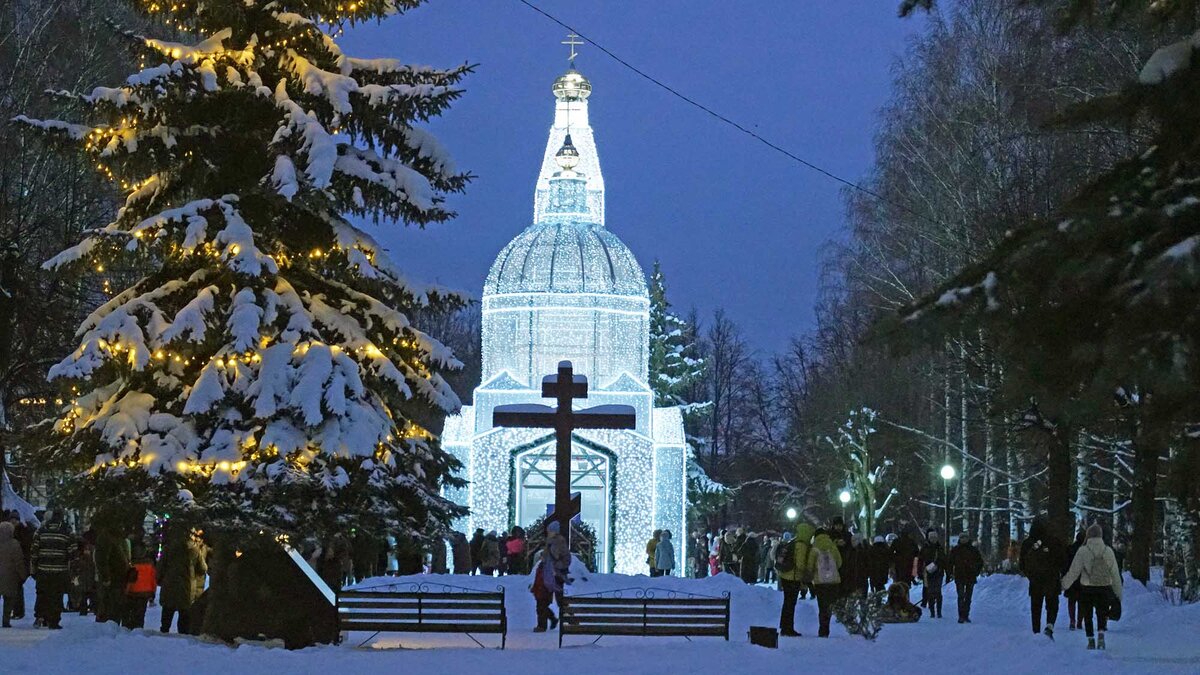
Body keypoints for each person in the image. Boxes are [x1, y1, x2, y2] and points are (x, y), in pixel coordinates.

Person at [1061, 523, 1122, 650]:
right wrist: (1118, 594)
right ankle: (1101, 635)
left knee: (1087, 613)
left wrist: (1063, 585)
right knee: (1101, 612)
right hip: (1104, 586)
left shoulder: (1083, 551)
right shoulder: (1108, 551)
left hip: (1087, 587)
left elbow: (1074, 571)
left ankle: (1090, 639)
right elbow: (1115, 574)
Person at [1021, 518, 1066, 638]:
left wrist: (1030, 574)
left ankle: (1036, 630)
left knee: (1036, 606)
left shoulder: (1028, 543)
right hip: (1051, 578)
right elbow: (1062, 560)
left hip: (1035, 579)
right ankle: (1049, 626)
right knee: (1052, 604)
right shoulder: (1054, 541)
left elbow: (1022, 564)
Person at [158, 527, 207, 634]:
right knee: (184, 612)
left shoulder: (169, 548)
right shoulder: (195, 549)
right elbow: (203, 569)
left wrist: (159, 579)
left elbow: (161, 567)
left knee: (167, 609)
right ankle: (183, 634)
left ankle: (164, 630)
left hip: (169, 584)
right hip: (187, 585)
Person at [31, 511, 72, 630]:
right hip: (60, 570)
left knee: (42, 594)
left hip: (43, 569)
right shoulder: (66, 532)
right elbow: (72, 551)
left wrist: (34, 567)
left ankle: (39, 616)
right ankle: (54, 620)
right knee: (57, 595)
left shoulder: (40, 531)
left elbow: (34, 551)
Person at [776, 522, 814, 637]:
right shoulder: (802, 545)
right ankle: (788, 628)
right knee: (790, 603)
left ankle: (784, 626)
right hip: (793, 577)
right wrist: (806, 573)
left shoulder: (794, 541)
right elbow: (800, 564)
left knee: (787, 603)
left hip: (785, 576)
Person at [807, 527, 843, 638]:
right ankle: (827, 625)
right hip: (833, 581)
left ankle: (823, 629)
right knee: (830, 605)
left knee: (822, 606)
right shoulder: (833, 546)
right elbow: (839, 562)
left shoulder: (814, 548)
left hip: (820, 582)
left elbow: (810, 566)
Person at [95, 522, 130, 624]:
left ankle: (113, 624)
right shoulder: (107, 538)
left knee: (116, 605)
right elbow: (102, 560)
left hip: (118, 577)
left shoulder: (117, 539)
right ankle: (107, 626)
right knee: (109, 604)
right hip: (112, 578)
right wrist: (106, 577)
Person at [123, 533, 157, 629]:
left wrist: (125, 591)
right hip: (145, 593)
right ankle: (138, 628)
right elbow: (153, 580)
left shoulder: (132, 565)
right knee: (140, 614)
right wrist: (152, 593)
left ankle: (128, 628)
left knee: (130, 611)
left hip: (132, 592)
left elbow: (129, 580)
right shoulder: (150, 565)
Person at [950, 532, 984, 623]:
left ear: (968, 539)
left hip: (970, 576)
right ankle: (961, 615)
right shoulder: (955, 550)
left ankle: (966, 615)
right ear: (959, 539)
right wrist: (950, 573)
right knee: (961, 596)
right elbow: (950, 562)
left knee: (968, 597)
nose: (963, 539)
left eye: (965, 538)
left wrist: (976, 571)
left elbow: (980, 562)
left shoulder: (973, 550)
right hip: (959, 575)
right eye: (962, 538)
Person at [0, 521, 28, 628]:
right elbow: (19, 562)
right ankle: (5, 620)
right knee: (9, 599)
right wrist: (23, 574)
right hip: (10, 576)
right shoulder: (15, 544)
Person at [919, 529, 948, 618]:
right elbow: (920, 560)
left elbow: (945, 560)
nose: (933, 539)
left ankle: (938, 612)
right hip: (928, 573)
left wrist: (947, 571)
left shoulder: (940, 548)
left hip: (939, 572)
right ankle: (932, 612)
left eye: (935, 537)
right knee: (930, 592)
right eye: (931, 537)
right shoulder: (925, 548)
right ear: (929, 538)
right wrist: (920, 572)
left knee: (938, 592)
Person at [1065, 529, 1086, 630]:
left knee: (1071, 601)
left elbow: (1065, 565)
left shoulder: (1070, 549)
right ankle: (1080, 622)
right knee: (1082, 601)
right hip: (1083, 579)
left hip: (1072, 578)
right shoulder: (1087, 550)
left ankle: (1072, 620)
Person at [70, 541, 97, 616]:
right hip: (86, 578)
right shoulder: (87, 555)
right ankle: (88, 609)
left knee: (86, 594)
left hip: (86, 578)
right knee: (87, 594)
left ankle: (86, 609)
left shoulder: (78, 556)